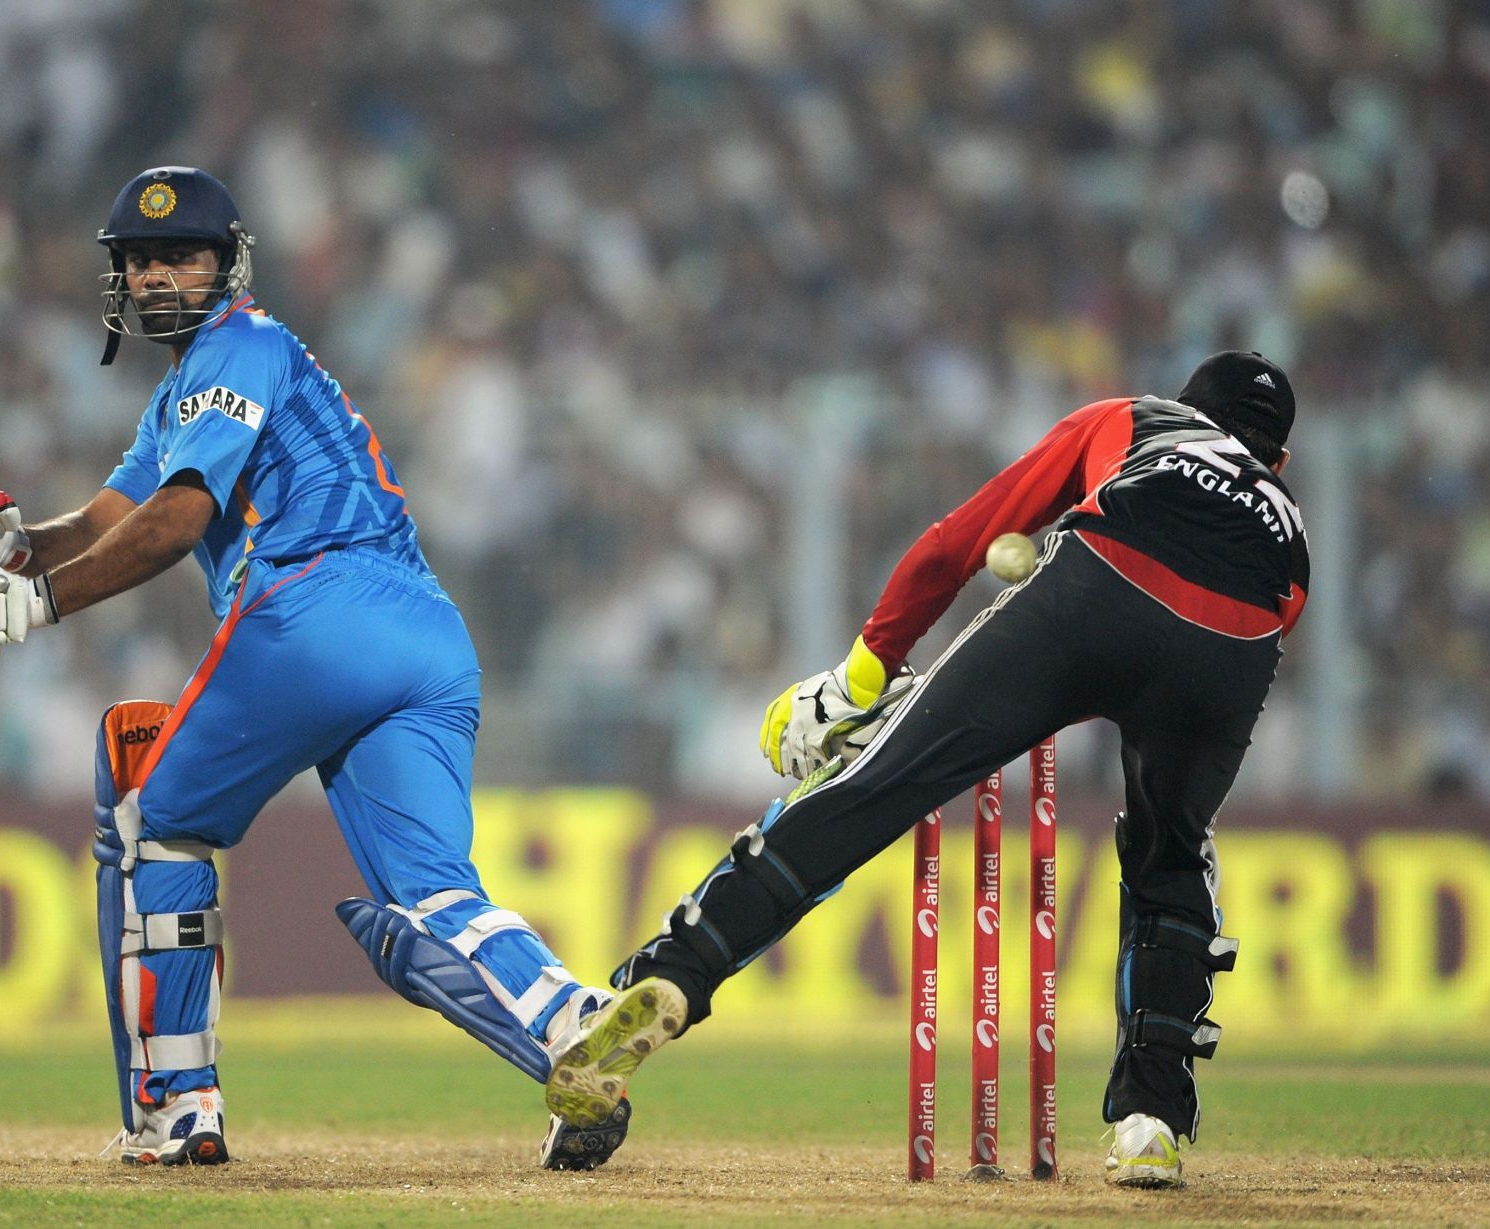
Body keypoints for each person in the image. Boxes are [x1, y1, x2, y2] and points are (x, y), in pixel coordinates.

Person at [0, 166, 629, 1170]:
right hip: (425, 637)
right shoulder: (190, 393)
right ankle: (568, 1017)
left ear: (226, 264)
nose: (163, 275)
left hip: (312, 614)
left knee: (155, 824)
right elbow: (108, 518)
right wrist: (11, 543)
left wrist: (32, 604)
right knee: (433, 892)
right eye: (145, 259)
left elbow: (177, 522)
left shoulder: (237, 344)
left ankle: (178, 1105)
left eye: (184, 256)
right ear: (122, 278)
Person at [545, 353, 1309, 1188]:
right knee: (1173, 854)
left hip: (1099, 582)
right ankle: (1149, 1121)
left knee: (875, 785)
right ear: (1279, 460)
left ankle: (673, 975)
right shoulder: (1292, 523)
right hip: (1234, 638)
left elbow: (956, 546)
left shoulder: (1133, 419)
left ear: (1187, 403)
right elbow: (1258, 627)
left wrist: (859, 676)